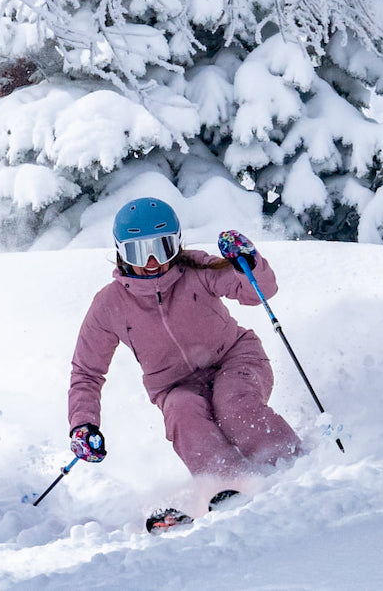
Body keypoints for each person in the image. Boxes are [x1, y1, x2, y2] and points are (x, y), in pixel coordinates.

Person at [67, 197, 302, 527]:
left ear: (176, 244)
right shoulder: (109, 304)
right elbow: (87, 371)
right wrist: (83, 423)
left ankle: (292, 465)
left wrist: (247, 261)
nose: (151, 262)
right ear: (121, 252)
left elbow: (258, 291)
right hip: (176, 387)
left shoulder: (197, 268)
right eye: (138, 252)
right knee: (182, 414)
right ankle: (231, 487)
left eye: (161, 249)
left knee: (232, 402)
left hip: (235, 359)